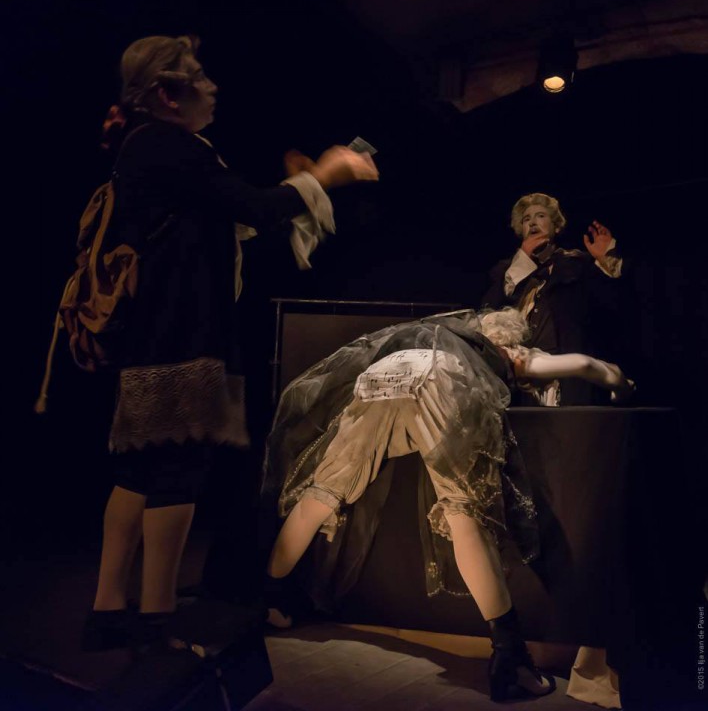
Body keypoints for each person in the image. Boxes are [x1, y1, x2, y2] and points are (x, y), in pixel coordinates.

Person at [82, 34, 378, 652]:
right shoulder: (168, 146)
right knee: (176, 469)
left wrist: (295, 188)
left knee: (140, 468)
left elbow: (233, 219)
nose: (212, 86)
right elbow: (253, 207)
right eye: (199, 76)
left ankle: (109, 611)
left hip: (158, 331)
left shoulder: (151, 148)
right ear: (169, 95)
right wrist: (325, 174)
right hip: (182, 334)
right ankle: (157, 620)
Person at [261, 306, 633, 702]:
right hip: (440, 379)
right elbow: (585, 365)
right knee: (463, 512)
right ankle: (511, 660)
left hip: (384, 374)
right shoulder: (509, 351)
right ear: (513, 340)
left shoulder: (445, 329)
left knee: (324, 491)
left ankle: (269, 599)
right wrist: (619, 383)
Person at [481, 192, 624, 405]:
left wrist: (606, 261)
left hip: (564, 373)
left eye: (540, 216)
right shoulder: (506, 271)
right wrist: (523, 261)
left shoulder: (576, 263)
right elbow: (486, 312)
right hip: (520, 376)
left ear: (556, 226)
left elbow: (612, 306)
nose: (532, 222)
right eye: (526, 219)